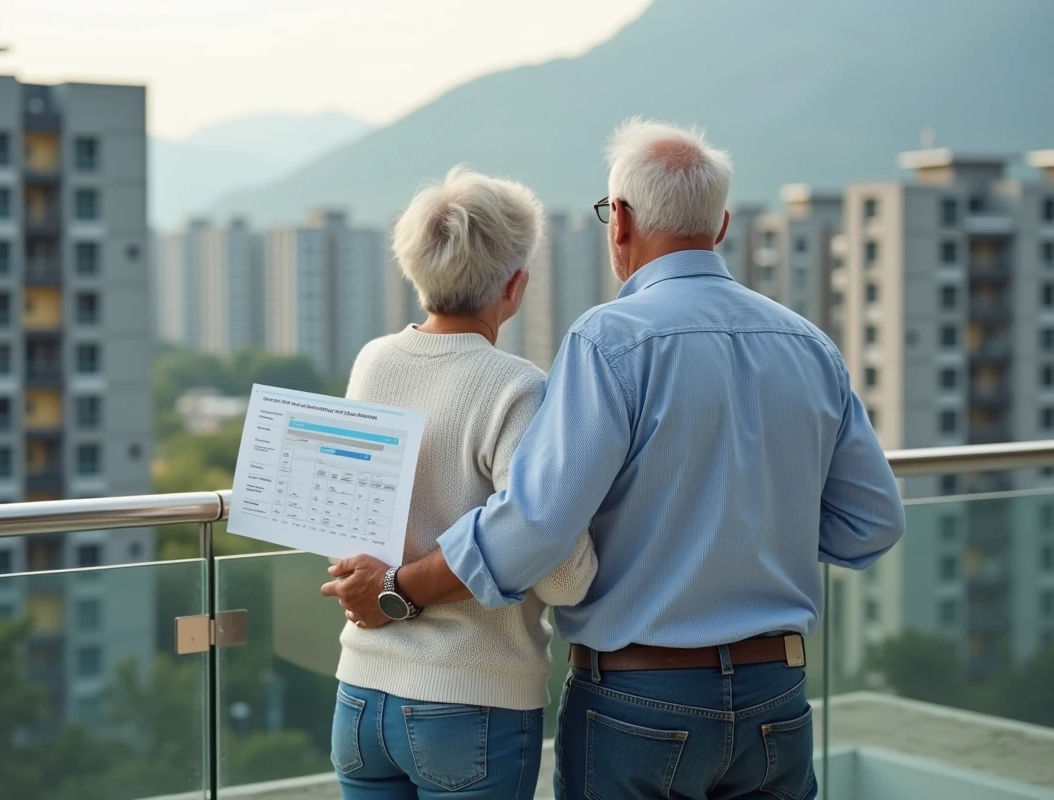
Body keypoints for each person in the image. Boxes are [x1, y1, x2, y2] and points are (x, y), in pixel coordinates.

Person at [323, 120, 906, 800]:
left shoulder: (609, 341)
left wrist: (402, 589)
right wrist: (751, 528)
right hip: (775, 694)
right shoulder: (809, 345)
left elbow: (539, 528)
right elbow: (873, 523)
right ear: (720, 227)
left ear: (620, 220)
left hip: (638, 698)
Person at [324, 166, 597, 799]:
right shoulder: (516, 387)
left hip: (361, 696)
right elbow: (563, 576)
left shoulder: (374, 361)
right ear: (516, 284)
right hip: (474, 702)